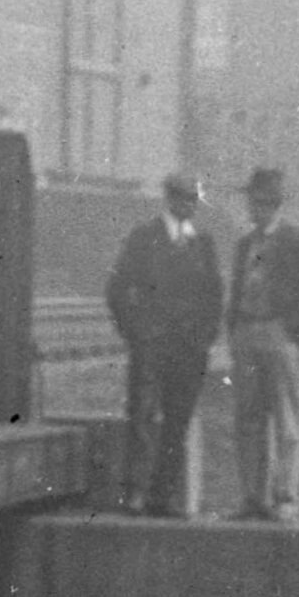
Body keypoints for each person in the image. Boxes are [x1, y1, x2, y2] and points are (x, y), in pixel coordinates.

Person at [104, 172, 223, 513]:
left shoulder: (203, 244)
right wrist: (135, 332)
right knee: (142, 417)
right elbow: (116, 289)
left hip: (189, 350)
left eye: (194, 199)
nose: (190, 205)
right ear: (170, 199)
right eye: (184, 198)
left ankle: (163, 496)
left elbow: (215, 296)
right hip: (151, 347)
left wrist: (204, 337)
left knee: (177, 422)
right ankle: (136, 492)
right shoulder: (145, 237)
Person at [222, 167, 299, 519]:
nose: (253, 208)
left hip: (279, 336)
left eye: (260, 202)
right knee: (248, 418)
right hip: (247, 335)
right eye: (252, 201)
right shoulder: (244, 244)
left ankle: (286, 497)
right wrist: (234, 330)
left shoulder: (296, 241)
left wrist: (290, 326)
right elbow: (237, 289)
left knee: (285, 419)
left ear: (273, 204)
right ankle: (253, 498)